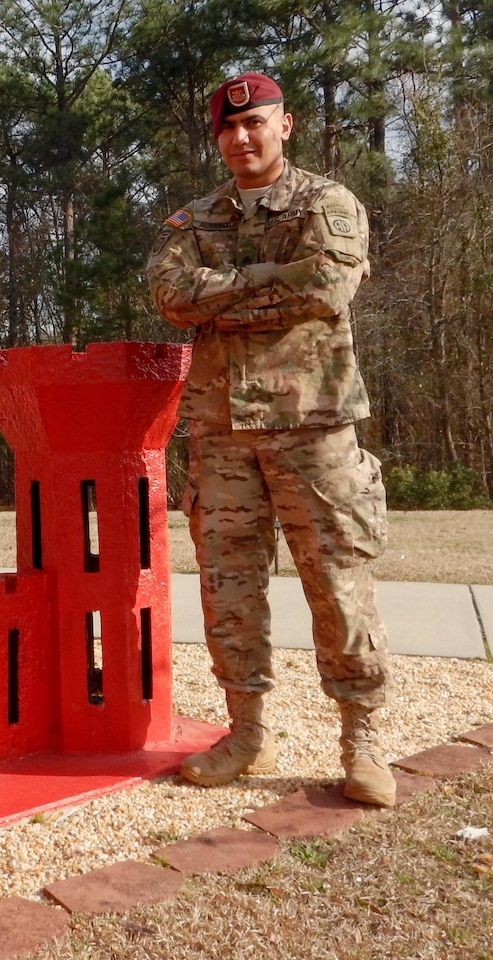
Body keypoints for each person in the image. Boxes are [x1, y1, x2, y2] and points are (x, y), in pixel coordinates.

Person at [146, 72, 395, 806]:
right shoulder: (192, 220)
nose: (241, 137)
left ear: (284, 126)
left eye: (255, 122)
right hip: (222, 434)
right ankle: (246, 734)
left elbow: (325, 287)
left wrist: (222, 290)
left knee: (340, 587)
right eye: (227, 127)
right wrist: (265, 282)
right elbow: (169, 296)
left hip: (313, 428)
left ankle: (363, 742)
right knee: (230, 593)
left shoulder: (328, 203)